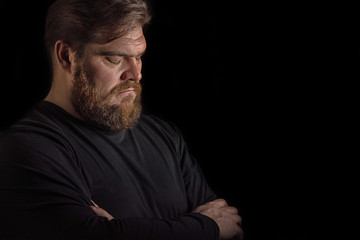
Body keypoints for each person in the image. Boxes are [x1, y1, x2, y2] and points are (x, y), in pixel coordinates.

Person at [0, 0, 243, 239]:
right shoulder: (26, 148)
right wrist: (204, 228)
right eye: (115, 58)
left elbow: (230, 228)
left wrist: (123, 230)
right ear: (66, 56)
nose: (136, 74)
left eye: (138, 57)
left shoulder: (165, 136)